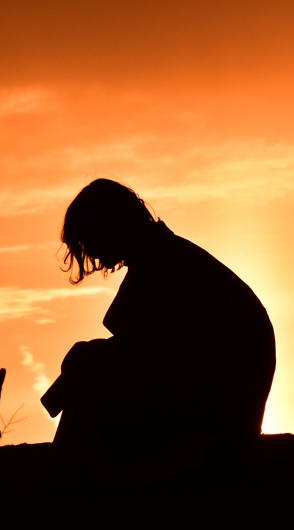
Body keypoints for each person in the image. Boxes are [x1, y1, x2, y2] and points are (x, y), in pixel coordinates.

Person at [41, 179, 276, 482]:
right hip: (216, 395)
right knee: (87, 366)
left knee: (86, 376)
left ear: (109, 226)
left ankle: (55, 492)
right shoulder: (162, 254)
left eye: (90, 240)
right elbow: (146, 350)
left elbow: (151, 353)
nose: (94, 255)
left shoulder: (162, 262)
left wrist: (83, 362)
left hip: (220, 409)